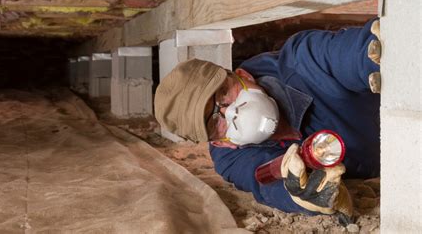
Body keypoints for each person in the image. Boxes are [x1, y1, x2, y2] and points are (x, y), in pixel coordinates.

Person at [154, 18, 381, 224]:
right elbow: (265, 183)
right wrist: (300, 194)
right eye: (214, 122)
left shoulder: (303, 62)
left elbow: (348, 53)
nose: (230, 112)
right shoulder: (231, 160)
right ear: (220, 142)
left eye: (223, 94)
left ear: (243, 76)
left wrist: (377, 50)